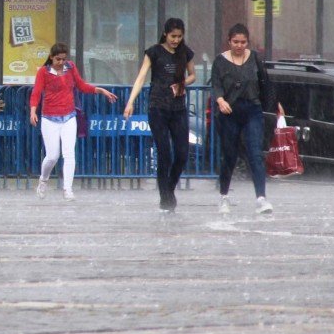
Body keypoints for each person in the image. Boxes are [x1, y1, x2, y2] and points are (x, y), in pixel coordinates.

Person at [123, 18, 197, 213]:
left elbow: (193, 75)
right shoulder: (154, 52)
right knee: (165, 152)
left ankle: (168, 189)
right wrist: (130, 102)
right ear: (165, 34)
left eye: (180, 36)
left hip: (179, 108)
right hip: (158, 107)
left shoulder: (185, 52)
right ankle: (165, 197)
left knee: (181, 154)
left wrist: (182, 84)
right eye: (173, 36)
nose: (176, 40)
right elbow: (141, 77)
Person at [30, 43, 118, 201]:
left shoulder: (70, 68)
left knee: (69, 154)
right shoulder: (43, 72)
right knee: (52, 156)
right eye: (58, 59)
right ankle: (43, 180)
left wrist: (100, 90)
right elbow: (36, 92)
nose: (61, 62)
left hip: (69, 117)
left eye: (64, 59)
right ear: (51, 57)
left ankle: (67, 189)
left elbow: (82, 85)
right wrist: (33, 111)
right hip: (49, 118)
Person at [210, 23, 283, 215]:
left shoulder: (255, 59)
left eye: (243, 42)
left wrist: (276, 104)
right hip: (229, 113)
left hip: (252, 110)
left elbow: (265, 83)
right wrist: (220, 100)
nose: (239, 45)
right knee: (229, 156)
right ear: (229, 41)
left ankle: (261, 198)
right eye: (235, 42)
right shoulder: (220, 61)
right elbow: (215, 84)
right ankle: (223, 196)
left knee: (255, 153)